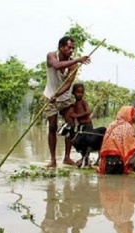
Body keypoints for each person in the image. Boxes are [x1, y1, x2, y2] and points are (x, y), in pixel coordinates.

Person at [43, 36, 91, 168]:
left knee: (70, 125)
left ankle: (67, 157)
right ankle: (53, 160)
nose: (71, 50)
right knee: (52, 127)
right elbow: (57, 66)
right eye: (68, 47)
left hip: (64, 98)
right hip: (49, 97)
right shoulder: (51, 56)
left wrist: (58, 94)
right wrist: (79, 59)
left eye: (72, 48)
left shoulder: (73, 65)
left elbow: (68, 84)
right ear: (61, 47)